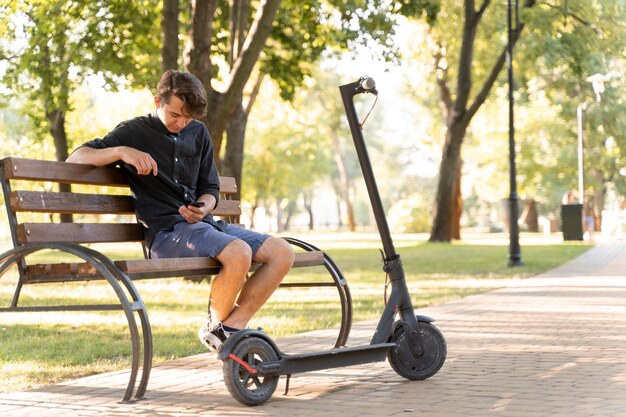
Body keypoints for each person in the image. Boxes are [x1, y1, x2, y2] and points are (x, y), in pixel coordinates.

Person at [67, 70, 295, 353]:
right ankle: (224, 334)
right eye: (175, 115)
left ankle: (229, 329)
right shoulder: (134, 131)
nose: (181, 123)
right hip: (167, 234)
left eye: (188, 118)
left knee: (282, 252)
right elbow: (75, 158)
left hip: (207, 226)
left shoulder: (198, 133)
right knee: (239, 253)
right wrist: (121, 152)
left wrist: (204, 207)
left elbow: (210, 188)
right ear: (157, 101)